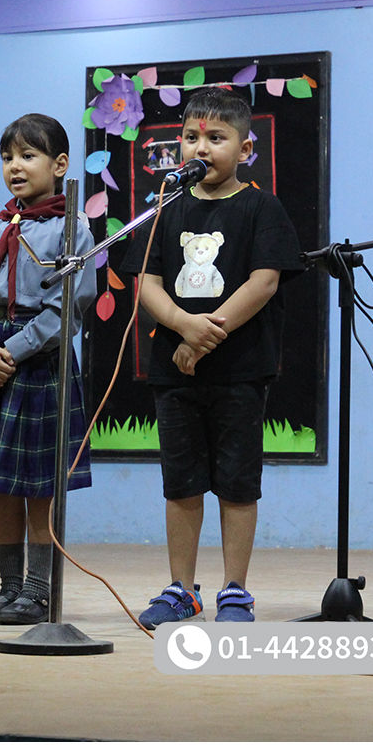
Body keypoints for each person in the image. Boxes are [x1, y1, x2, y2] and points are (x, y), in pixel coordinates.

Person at [122, 90, 302, 627]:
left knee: (237, 483)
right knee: (181, 483)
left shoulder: (262, 208)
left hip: (239, 370)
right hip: (174, 371)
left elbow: (263, 282)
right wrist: (182, 325)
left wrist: (202, 336)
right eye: (191, 137)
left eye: (216, 138)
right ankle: (181, 588)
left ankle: (235, 590)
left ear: (245, 149)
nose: (201, 147)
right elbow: (147, 282)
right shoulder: (165, 207)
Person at [0, 114, 96, 626]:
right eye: (8, 157)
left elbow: (68, 308)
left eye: (28, 156)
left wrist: (12, 351)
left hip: (37, 362)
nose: (15, 167)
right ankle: (9, 588)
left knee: (39, 484)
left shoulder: (72, 230)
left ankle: (38, 590)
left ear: (60, 164)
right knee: (3, 480)